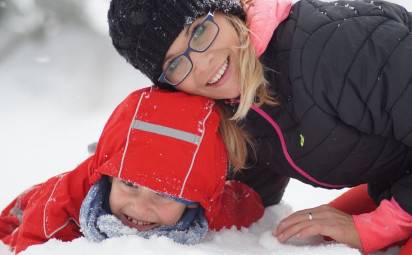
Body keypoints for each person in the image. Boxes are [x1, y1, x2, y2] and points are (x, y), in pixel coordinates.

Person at [107, 0, 412, 253]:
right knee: (312, 241)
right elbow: (247, 195)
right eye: (174, 64)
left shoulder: (330, 48)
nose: (202, 64)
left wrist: (380, 226)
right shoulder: (237, 104)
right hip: (396, 180)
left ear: (228, 10)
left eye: (199, 32)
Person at [0, 88, 264, 254]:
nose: (139, 207)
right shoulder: (58, 208)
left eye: (164, 194)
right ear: (110, 178)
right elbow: (28, 245)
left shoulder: (210, 210)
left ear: (196, 202)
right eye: (129, 184)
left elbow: (245, 204)